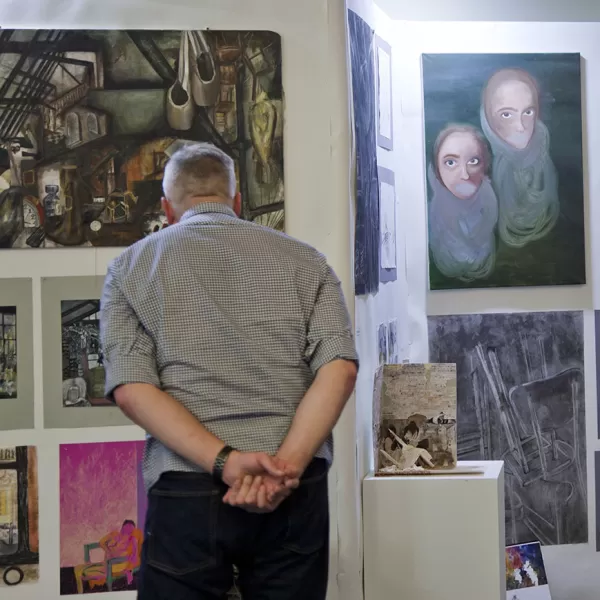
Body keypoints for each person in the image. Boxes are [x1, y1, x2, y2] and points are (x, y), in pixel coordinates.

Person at [99, 142, 358, 600]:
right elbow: (339, 369)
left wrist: (227, 463)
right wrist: (283, 470)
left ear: (167, 208)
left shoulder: (129, 269)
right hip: (293, 487)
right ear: (237, 201)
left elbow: (132, 389)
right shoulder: (307, 262)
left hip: (188, 487)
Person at [481, 68, 559, 247]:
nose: (521, 126)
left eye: (528, 112)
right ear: (488, 117)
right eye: (506, 114)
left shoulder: (550, 163)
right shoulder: (477, 170)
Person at [428, 124, 498, 282]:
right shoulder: (427, 221)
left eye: (473, 161)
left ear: (485, 166)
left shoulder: (493, 212)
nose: (465, 175)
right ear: (437, 169)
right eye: (451, 163)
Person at [73, 520, 141, 593]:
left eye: (130, 530)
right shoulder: (115, 535)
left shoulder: (132, 540)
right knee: (78, 569)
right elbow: (101, 542)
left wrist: (129, 570)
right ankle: (80, 592)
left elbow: (134, 556)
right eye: (126, 528)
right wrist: (108, 550)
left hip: (116, 565)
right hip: (107, 563)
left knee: (83, 573)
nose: (127, 531)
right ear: (122, 527)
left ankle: (82, 590)